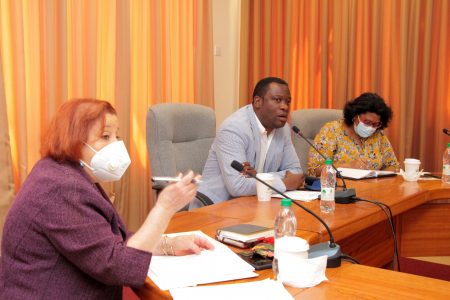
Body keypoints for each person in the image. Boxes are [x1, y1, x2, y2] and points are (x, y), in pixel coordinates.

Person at [0, 99, 214, 299]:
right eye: (105, 137)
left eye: (117, 136)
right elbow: (120, 267)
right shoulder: (63, 189)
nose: (116, 145)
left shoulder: (63, 172)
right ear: (73, 140)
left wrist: (169, 244)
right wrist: (164, 208)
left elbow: (111, 239)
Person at [191, 77, 304, 208]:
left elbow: (296, 173)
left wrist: (260, 177)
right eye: (277, 100)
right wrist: (285, 183)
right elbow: (238, 186)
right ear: (258, 101)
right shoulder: (234, 129)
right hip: (216, 209)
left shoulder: (283, 129)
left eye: (287, 101)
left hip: (255, 205)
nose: (285, 107)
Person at [307, 92, 400, 177]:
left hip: (373, 190)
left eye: (375, 124)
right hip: (340, 190)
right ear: (355, 115)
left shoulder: (378, 135)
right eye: (367, 122)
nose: (371, 127)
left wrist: (377, 178)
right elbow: (314, 170)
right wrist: (348, 166)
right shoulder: (331, 131)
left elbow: (393, 166)